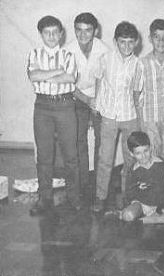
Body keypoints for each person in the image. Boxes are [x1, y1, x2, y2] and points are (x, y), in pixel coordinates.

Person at [27, 15, 80, 215]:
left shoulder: (68, 55)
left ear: (60, 33)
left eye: (55, 32)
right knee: (44, 155)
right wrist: (57, 72)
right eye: (47, 32)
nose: (51, 36)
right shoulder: (34, 54)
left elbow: (70, 77)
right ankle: (45, 199)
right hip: (42, 106)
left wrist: (45, 74)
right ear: (41, 34)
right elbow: (33, 76)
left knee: (71, 155)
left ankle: (74, 198)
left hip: (65, 104)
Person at [92, 21, 140, 212]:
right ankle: (100, 197)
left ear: (136, 42)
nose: (126, 46)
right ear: (115, 41)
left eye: (130, 42)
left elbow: (137, 92)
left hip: (130, 116)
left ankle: (128, 195)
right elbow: (98, 80)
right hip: (109, 116)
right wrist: (96, 103)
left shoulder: (138, 64)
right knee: (105, 158)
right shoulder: (105, 58)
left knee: (130, 159)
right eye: (122, 42)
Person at [67, 12, 109, 202]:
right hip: (77, 98)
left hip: (100, 98)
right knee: (79, 141)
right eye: (79, 30)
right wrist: (87, 100)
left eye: (88, 30)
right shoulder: (68, 50)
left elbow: (106, 80)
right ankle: (82, 183)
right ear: (74, 29)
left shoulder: (104, 50)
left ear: (95, 30)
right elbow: (67, 84)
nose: (83, 35)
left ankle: (99, 184)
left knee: (102, 141)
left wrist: (97, 103)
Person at [133, 19, 164, 186]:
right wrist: (140, 119)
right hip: (149, 117)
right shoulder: (142, 63)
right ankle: (153, 192)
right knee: (151, 155)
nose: (160, 41)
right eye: (156, 37)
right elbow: (136, 92)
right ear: (150, 38)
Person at [118, 131, 164, 222]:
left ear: (150, 148)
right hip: (141, 206)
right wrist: (137, 203)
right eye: (138, 153)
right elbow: (129, 194)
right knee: (128, 215)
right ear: (132, 154)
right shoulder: (133, 171)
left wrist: (159, 208)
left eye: (146, 151)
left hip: (159, 206)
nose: (143, 156)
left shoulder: (161, 166)